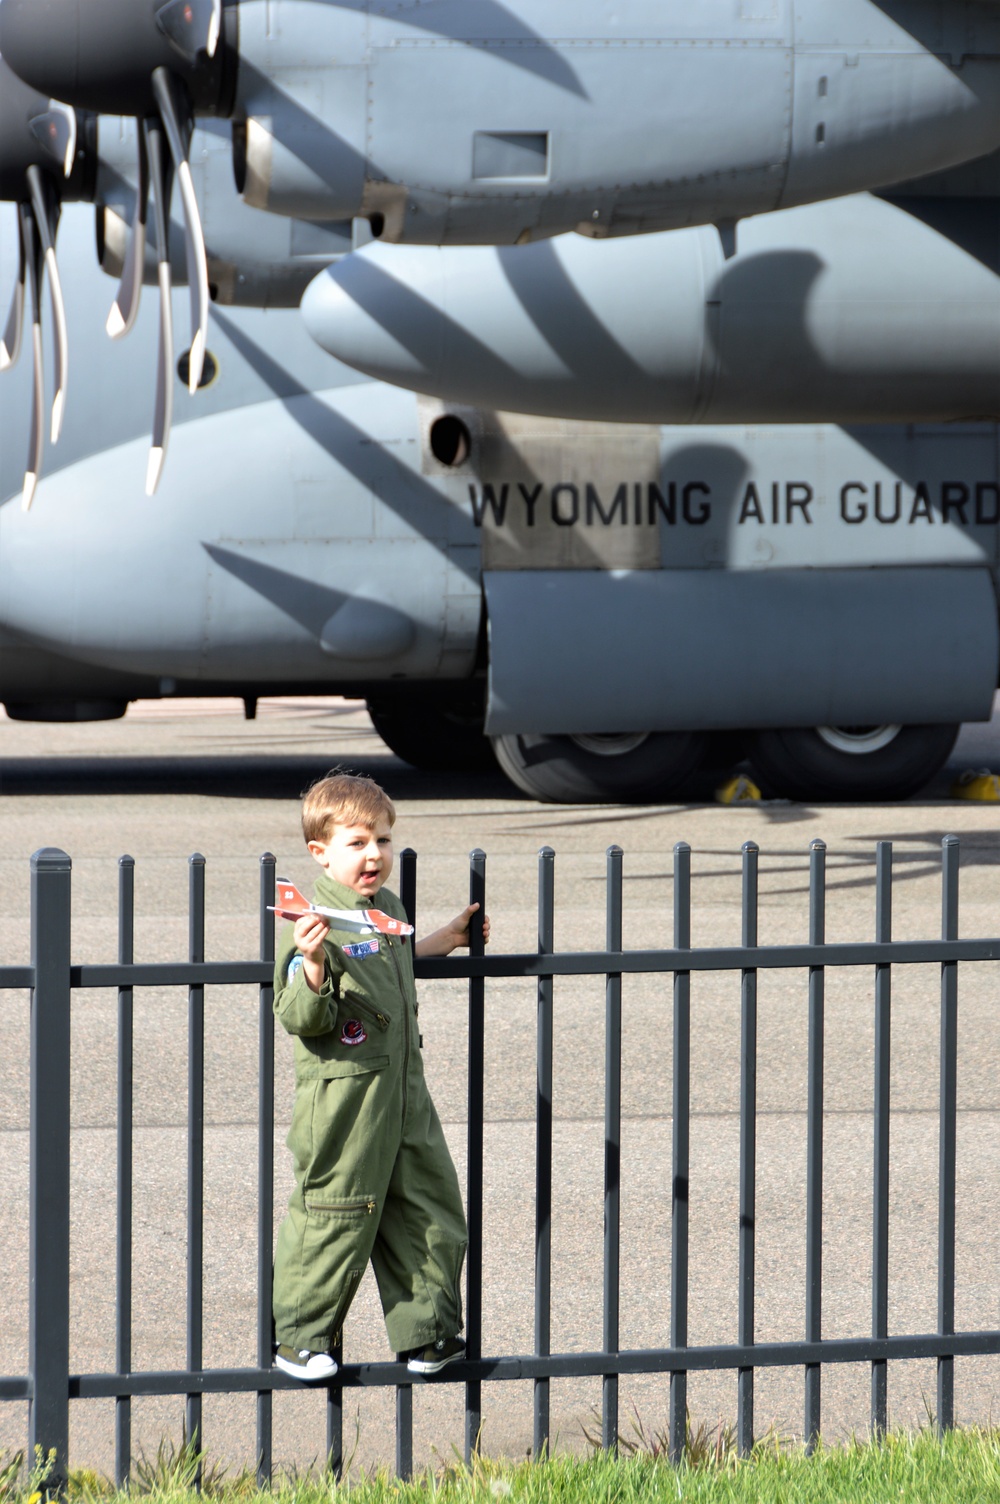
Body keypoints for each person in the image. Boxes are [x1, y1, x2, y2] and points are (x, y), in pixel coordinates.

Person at [271, 770, 489, 1382]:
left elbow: (393, 954)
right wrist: (311, 961)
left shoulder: (385, 908)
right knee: (335, 1211)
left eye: (384, 842)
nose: (375, 855)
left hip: (402, 1091)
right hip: (345, 1101)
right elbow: (296, 1013)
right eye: (358, 843)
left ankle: (428, 1336)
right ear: (321, 852)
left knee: (429, 1206)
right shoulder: (309, 917)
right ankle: (301, 1339)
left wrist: (445, 938)